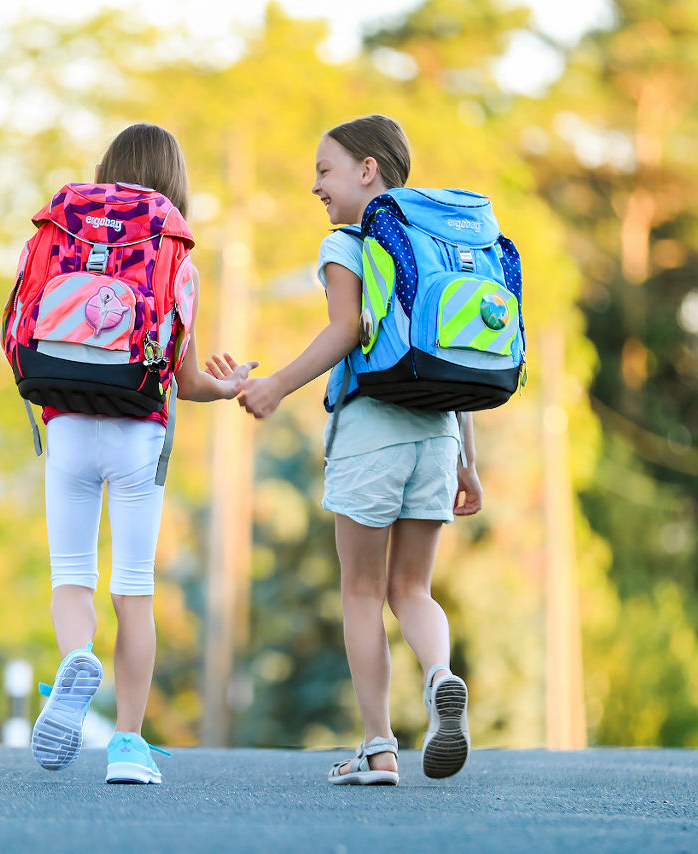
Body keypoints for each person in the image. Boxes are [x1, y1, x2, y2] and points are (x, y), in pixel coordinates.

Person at [210, 114, 482, 785]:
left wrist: (275, 385)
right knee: (412, 588)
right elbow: (459, 363)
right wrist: (467, 463)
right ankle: (441, 673)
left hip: (370, 438)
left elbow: (342, 332)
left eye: (325, 170)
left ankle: (379, 748)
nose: (316, 186)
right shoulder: (439, 248)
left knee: (361, 592)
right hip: (437, 436)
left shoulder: (349, 244)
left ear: (368, 170)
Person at [27, 123, 257, 785]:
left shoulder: (65, 229)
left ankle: (76, 657)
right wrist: (228, 384)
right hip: (138, 428)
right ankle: (127, 743)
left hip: (67, 419)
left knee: (71, 577)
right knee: (134, 591)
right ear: (174, 180)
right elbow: (183, 378)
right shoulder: (174, 248)